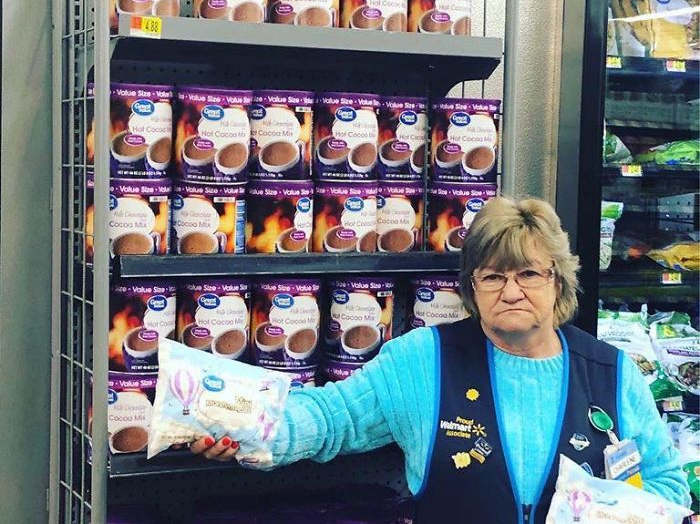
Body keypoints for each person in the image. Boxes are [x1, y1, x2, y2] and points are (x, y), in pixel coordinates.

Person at [190, 197, 691, 522]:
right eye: (492, 277)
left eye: (529, 274)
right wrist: (239, 423)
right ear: (472, 288)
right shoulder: (422, 361)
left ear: (557, 279)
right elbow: (329, 417)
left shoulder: (612, 372)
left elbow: (667, 483)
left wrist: (614, 512)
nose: (512, 291)